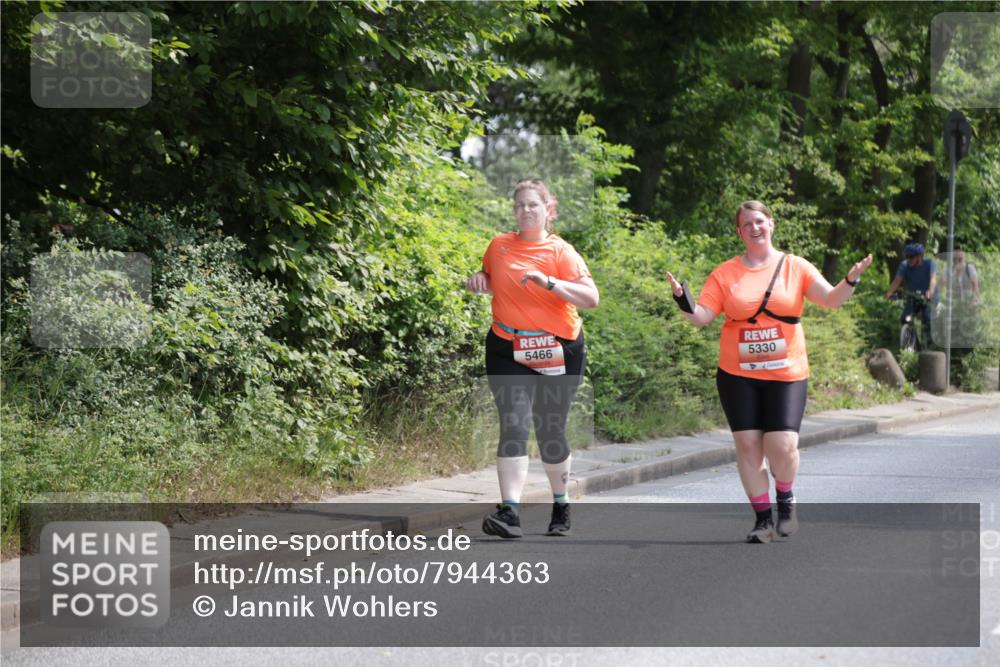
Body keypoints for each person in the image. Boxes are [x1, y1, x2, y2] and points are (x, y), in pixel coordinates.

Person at [666, 200, 872, 543]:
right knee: (747, 446)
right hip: (737, 373)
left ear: (771, 224)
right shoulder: (725, 273)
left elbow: (832, 300)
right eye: (747, 224)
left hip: (786, 372)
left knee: (783, 445)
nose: (754, 228)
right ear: (739, 232)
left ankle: (786, 497)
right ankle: (762, 521)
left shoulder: (796, 267)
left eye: (759, 221)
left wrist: (851, 278)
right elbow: (701, 317)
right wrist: (680, 297)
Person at [466, 179, 599, 538]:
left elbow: (591, 297)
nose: (526, 210)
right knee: (513, 423)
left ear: (548, 210)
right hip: (508, 347)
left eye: (533, 205)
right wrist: (481, 278)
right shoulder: (499, 246)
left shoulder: (562, 252)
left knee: (550, 430)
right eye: (520, 205)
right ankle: (509, 511)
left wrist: (549, 282)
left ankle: (561, 503)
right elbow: (496, 279)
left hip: (559, 349)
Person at [885, 243, 937, 346]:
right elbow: (897, 281)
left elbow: (933, 279)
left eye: (911, 257)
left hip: (928, 296)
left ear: (919, 257)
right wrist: (889, 293)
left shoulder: (930, 263)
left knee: (927, 320)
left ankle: (928, 347)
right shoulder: (904, 265)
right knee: (905, 318)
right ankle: (912, 344)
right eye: (907, 257)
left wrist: (930, 291)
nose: (908, 259)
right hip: (913, 296)